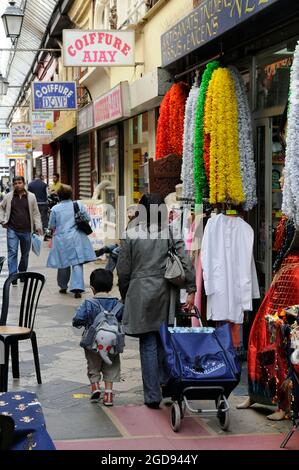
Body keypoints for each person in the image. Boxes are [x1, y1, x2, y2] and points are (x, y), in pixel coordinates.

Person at [117, 193, 196, 409]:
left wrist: (126, 294)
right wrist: (191, 289)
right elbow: (185, 261)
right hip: (165, 291)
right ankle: (166, 383)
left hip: (140, 291)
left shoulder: (131, 233)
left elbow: (123, 269)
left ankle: (152, 395)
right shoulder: (170, 231)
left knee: (148, 343)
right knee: (164, 339)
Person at [72, 269, 122, 405]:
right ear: (111, 287)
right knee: (111, 366)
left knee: (93, 365)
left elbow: (78, 319)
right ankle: (109, 395)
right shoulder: (118, 304)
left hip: (92, 344)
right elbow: (123, 319)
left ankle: (95, 387)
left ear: (92, 288)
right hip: (112, 343)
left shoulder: (88, 303)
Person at [47, 184, 96, 298]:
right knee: (77, 262)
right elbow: (87, 219)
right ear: (71, 195)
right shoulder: (78, 205)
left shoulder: (55, 209)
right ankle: (77, 288)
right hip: (76, 238)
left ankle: (63, 286)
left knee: (63, 262)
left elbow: (52, 225)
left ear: (59, 196)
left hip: (61, 239)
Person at [0, 176, 43, 284]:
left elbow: (36, 213)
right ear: (13, 185)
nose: (17, 185)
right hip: (12, 229)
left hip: (27, 230)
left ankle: (22, 272)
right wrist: (2, 220)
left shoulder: (31, 197)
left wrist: (38, 226)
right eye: (15, 183)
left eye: (19, 183)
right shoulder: (9, 197)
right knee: (12, 252)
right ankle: (13, 276)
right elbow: (1, 207)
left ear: (24, 183)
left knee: (25, 253)